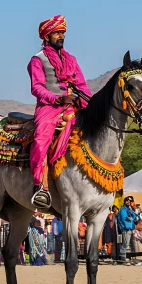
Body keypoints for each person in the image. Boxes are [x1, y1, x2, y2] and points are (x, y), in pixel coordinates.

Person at [27, 15, 92, 209]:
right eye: (57, 32)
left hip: (74, 106)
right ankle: (40, 186)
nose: (61, 35)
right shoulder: (37, 60)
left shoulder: (71, 59)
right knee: (41, 138)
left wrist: (91, 104)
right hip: (50, 107)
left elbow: (82, 85)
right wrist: (58, 98)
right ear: (46, 36)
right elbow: (36, 88)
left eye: (62, 32)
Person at [116, 197, 136, 264]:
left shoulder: (130, 209)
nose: (129, 202)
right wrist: (130, 218)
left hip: (130, 228)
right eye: (127, 201)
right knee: (125, 244)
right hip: (125, 228)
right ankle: (123, 259)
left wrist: (132, 212)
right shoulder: (123, 210)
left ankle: (128, 258)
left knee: (129, 244)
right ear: (125, 202)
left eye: (130, 201)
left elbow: (135, 217)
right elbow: (124, 219)